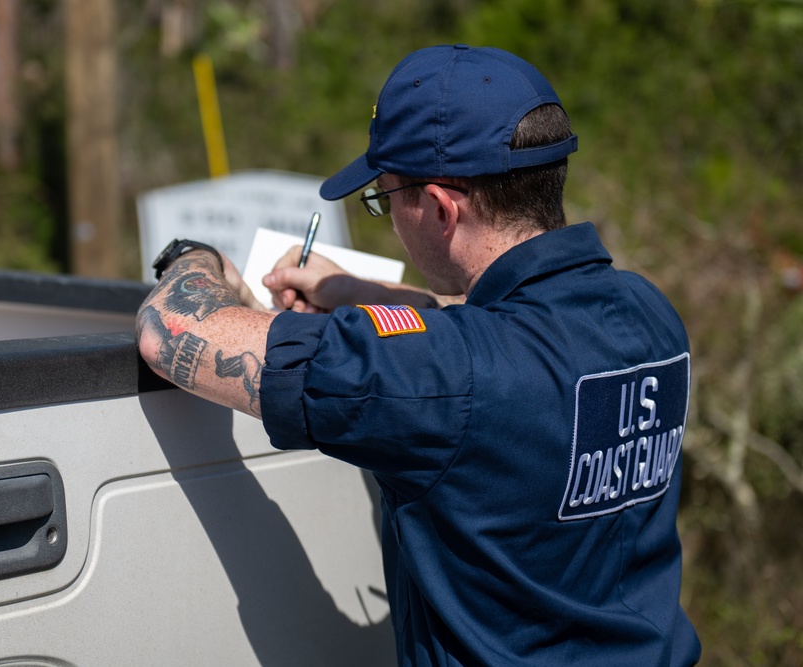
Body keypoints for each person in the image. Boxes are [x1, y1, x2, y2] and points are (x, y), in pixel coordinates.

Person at [136, 44, 701, 666]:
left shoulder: (445, 378)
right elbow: (503, 332)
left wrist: (196, 257)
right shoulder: (649, 313)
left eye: (383, 199)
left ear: (438, 206)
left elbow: (173, 328)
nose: (388, 218)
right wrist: (361, 294)